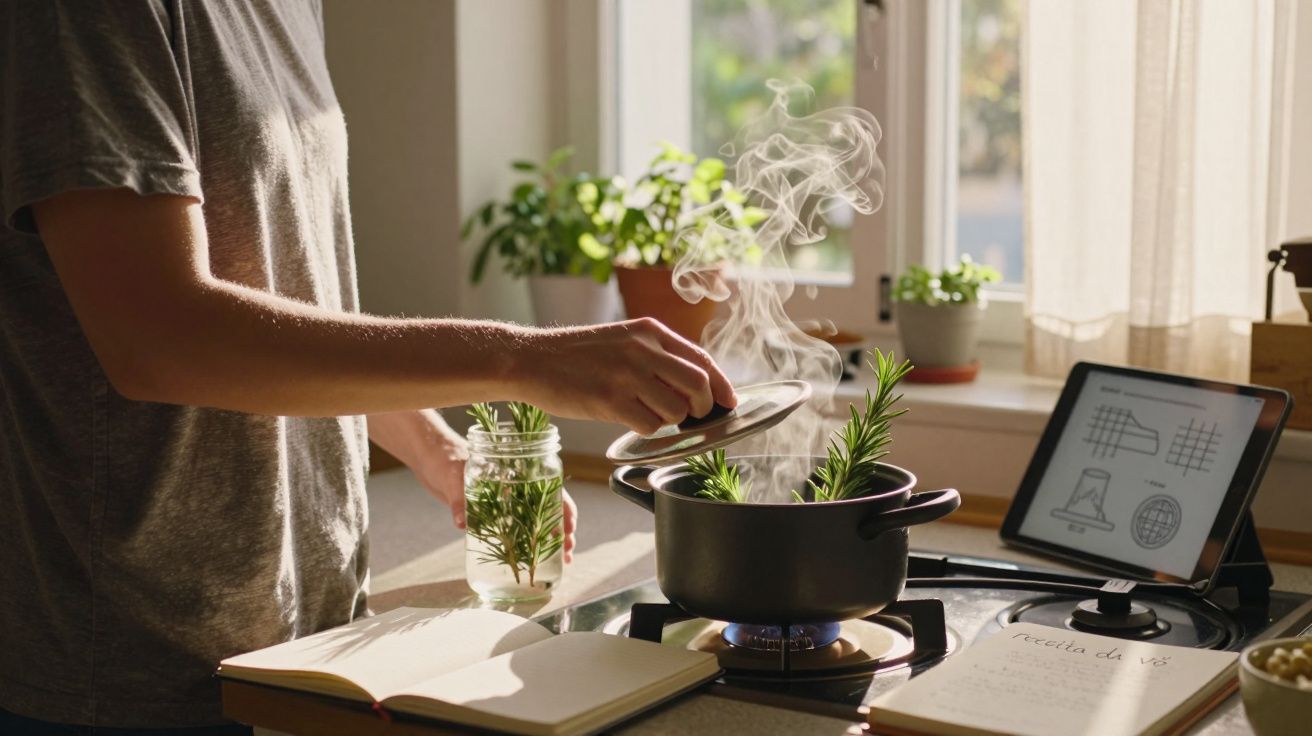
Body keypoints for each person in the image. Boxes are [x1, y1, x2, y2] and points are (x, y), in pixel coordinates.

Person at [0, 1, 736, 732]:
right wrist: (522, 358)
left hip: (311, 639)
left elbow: (284, 296)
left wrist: (435, 448)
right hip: (130, 665)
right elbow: (157, 337)